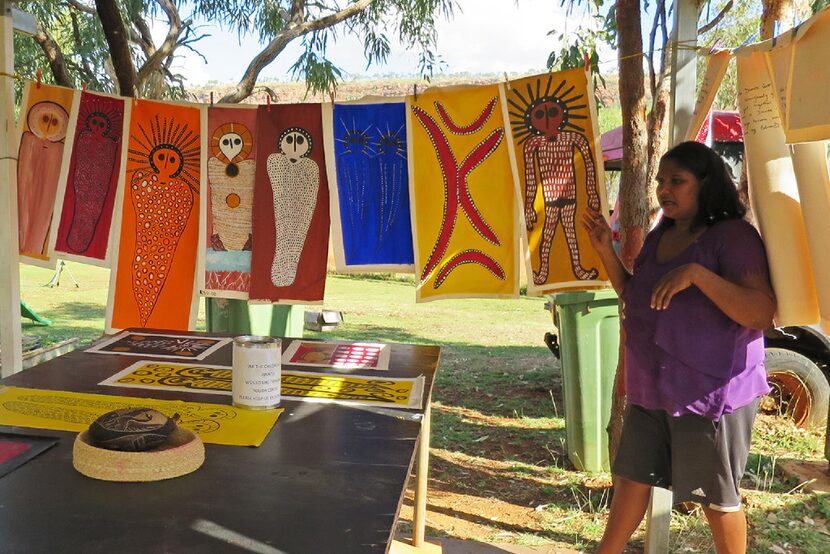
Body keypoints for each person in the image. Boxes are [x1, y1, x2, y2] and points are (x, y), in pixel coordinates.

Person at [583, 141, 776, 554]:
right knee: (633, 478)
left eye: (676, 181)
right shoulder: (661, 235)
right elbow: (635, 295)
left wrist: (698, 275)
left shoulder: (733, 236)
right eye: (660, 181)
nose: (663, 189)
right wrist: (605, 250)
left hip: (710, 391)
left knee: (717, 498)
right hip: (653, 383)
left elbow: (761, 312)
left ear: (705, 184)